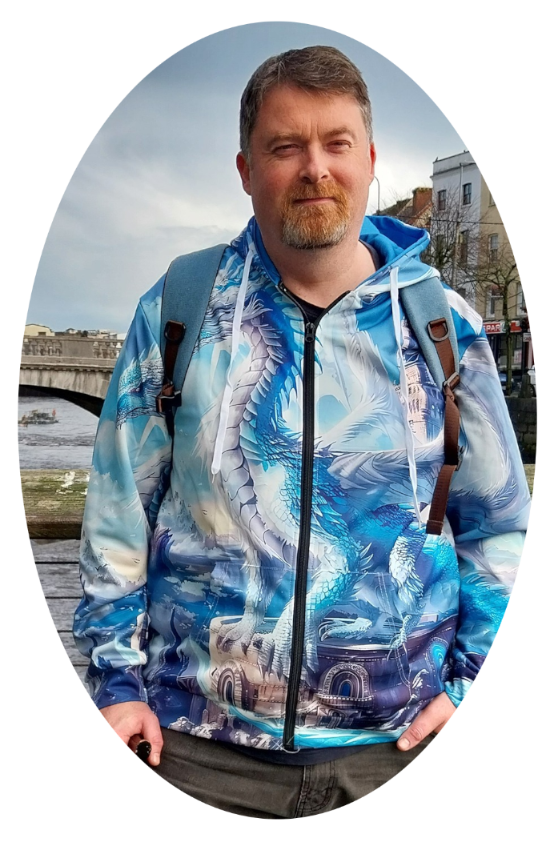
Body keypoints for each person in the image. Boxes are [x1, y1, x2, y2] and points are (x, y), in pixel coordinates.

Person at [74, 46, 530, 817]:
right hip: (197, 751)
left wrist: (465, 682)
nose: (314, 168)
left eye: (336, 143)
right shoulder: (181, 308)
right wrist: (117, 689)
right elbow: (118, 517)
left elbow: (500, 524)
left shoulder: (442, 326)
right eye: (286, 147)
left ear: (370, 160)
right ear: (247, 168)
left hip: (399, 747)